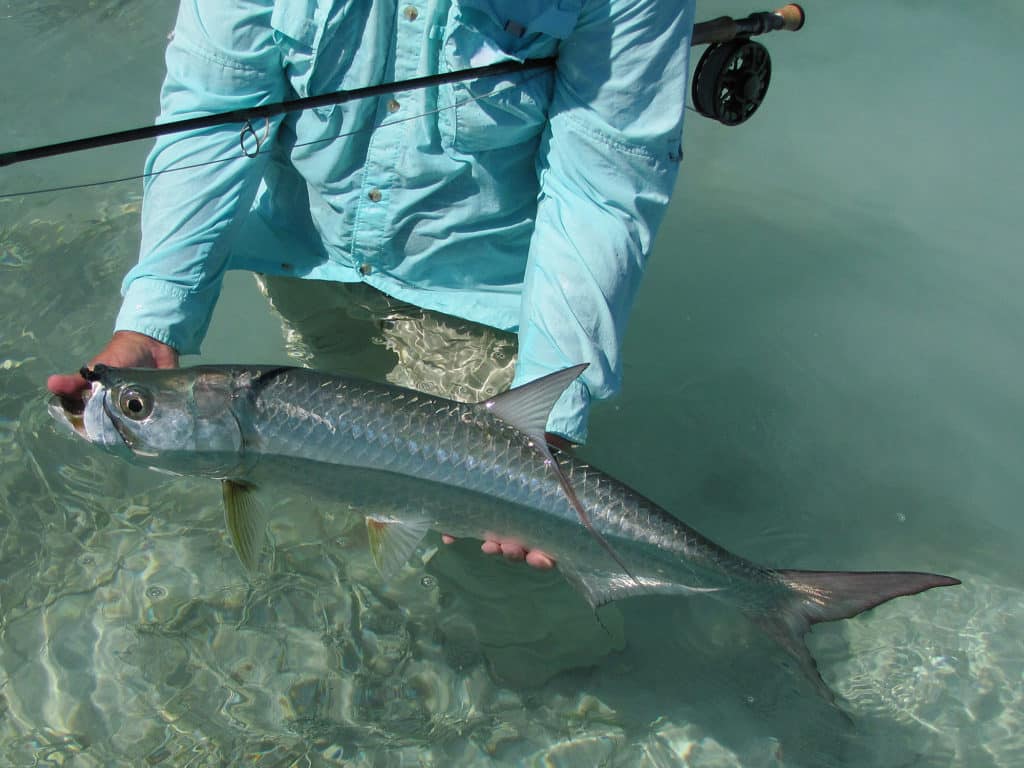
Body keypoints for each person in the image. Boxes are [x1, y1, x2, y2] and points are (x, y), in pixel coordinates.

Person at [48, 0, 696, 569]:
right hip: (304, 256)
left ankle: (554, 671)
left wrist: (544, 433)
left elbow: (600, 191)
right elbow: (215, 116)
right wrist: (151, 322)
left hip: (478, 296)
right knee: (364, 483)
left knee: (500, 582)